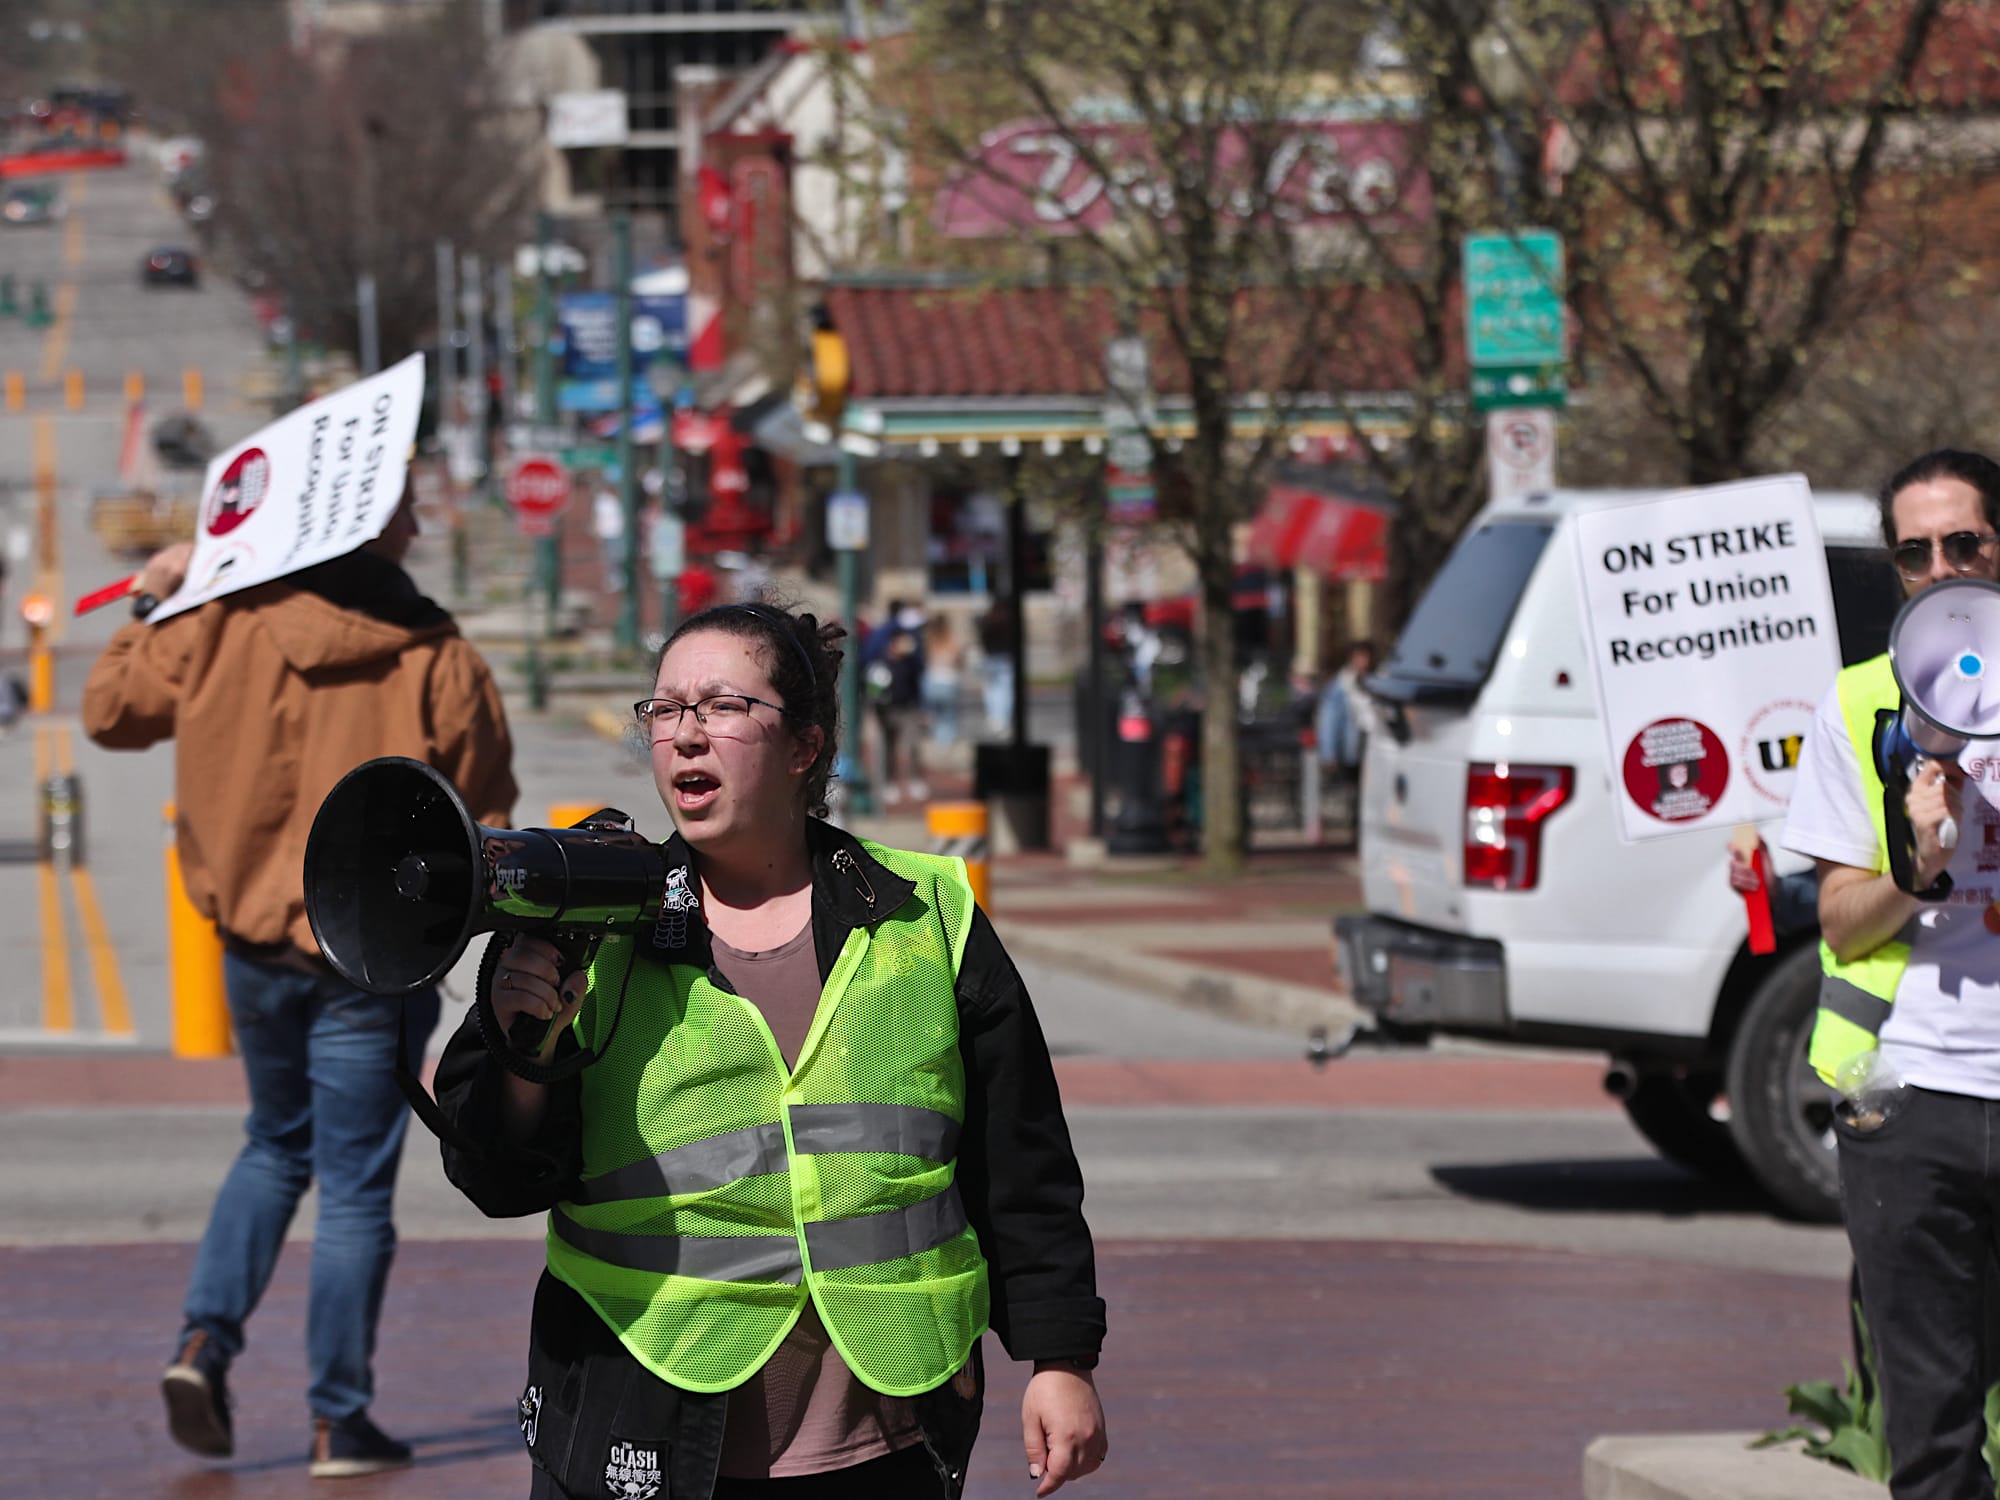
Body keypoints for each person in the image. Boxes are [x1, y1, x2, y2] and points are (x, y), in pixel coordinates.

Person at [431, 600, 1108, 1500]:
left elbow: (1021, 1160)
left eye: (721, 706)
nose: (685, 736)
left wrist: (1061, 1357)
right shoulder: (589, 921)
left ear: (804, 746)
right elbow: (497, 1176)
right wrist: (525, 1049)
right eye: (666, 710)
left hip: (888, 1437)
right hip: (643, 1420)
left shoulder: (925, 913)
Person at [81, 487, 519, 1478]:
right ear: (371, 525)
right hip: (370, 957)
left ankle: (204, 1341)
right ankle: (337, 1418)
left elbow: (110, 712)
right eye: (405, 510)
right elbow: (486, 797)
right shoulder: (432, 647)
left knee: (275, 1148)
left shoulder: (221, 619)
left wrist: (152, 599)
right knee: (356, 1189)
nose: (417, 527)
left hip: (249, 947)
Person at [1781, 448, 2000, 1500]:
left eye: (1964, 542)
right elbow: (1838, 916)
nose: (1940, 567)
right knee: (1932, 1429)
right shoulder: (1859, 703)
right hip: (1912, 1102)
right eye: (1913, 552)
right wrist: (1916, 869)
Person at [1314, 640, 1378, 782]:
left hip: (1376, 745)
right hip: (1354, 747)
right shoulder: (1341, 685)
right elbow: (1328, 721)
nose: (1363, 661)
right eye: (1358, 657)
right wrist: (1329, 754)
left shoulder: (1378, 681)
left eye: (1365, 656)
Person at [922, 613, 965, 747]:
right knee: (948, 716)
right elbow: (958, 660)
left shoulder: (929, 640)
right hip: (948, 680)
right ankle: (945, 744)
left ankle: (938, 742)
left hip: (932, 680)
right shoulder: (952, 640)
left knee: (936, 715)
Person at [592, 483, 627, 591]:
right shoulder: (601, 500)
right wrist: (597, 531)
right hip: (606, 533)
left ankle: (619, 578)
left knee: (618, 556)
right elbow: (597, 517)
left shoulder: (619, 499)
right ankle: (612, 580)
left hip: (617, 532)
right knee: (608, 558)